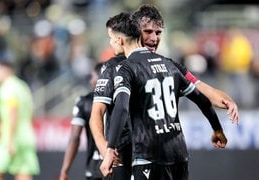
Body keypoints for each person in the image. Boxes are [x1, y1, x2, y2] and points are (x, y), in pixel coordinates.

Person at [90, 3, 237, 179]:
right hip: (122, 153)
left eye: (158, 33)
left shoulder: (168, 64)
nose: (154, 38)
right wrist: (105, 148)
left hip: (147, 153)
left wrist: (228, 102)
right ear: (136, 32)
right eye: (148, 32)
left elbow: (204, 90)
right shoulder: (112, 67)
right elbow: (97, 113)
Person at [0, 53, 40, 180]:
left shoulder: (7, 88)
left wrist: (10, 140)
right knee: (23, 174)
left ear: (4, 70)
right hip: (26, 137)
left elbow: (13, 112)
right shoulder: (22, 86)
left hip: (9, 139)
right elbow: (29, 113)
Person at [60, 63, 104, 180]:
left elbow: (75, 137)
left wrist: (65, 169)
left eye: (92, 77)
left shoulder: (84, 102)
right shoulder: (121, 99)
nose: (90, 81)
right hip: (118, 166)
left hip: (95, 167)